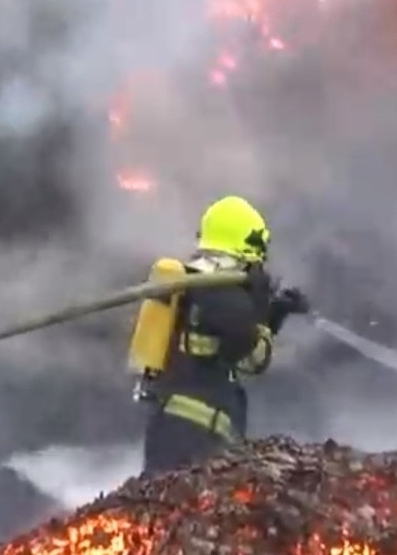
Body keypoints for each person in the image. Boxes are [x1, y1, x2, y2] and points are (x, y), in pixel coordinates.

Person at [132, 195, 309, 475]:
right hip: (200, 435)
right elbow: (254, 359)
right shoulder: (227, 298)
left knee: (157, 494)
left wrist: (270, 312)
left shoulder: (191, 285)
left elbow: (221, 342)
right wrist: (266, 311)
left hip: (167, 427)